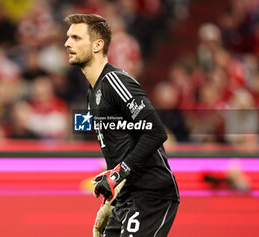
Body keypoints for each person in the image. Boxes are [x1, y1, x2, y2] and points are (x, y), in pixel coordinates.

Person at [64, 14, 179, 237]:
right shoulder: (92, 93)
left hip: (150, 194)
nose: (67, 43)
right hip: (126, 197)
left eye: (76, 37)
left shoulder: (116, 81)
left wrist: (117, 174)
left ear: (98, 45)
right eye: (68, 37)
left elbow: (155, 131)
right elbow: (120, 148)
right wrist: (111, 201)